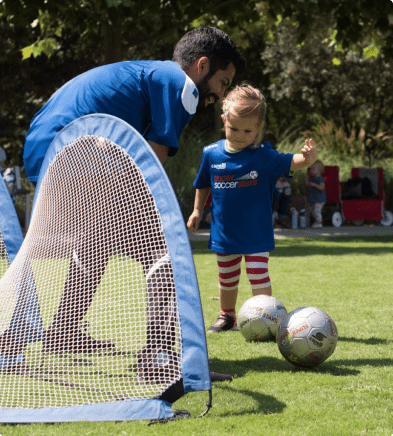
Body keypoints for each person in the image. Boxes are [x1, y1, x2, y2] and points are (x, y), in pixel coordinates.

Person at [1, 27, 245, 367]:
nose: (220, 94)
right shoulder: (181, 86)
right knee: (161, 244)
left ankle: (59, 333)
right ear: (201, 66)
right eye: (223, 82)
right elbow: (151, 161)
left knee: (94, 242)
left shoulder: (157, 74)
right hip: (70, 149)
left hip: (47, 144)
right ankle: (158, 357)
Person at [187, 84, 318, 332]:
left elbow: (291, 161)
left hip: (257, 233)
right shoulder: (211, 154)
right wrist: (196, 211)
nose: (239, 135)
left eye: (248, 131)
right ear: (224, 120)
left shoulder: (263, 156)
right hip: (225, 233)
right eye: (233, 128)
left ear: (259, 128)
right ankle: (227, 317)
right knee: (227, 277)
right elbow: (202, 184)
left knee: (258, 274)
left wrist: (307, 159)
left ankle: (270, 319)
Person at [307, 160, 326, 229]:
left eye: (313, 169)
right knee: (312, 210)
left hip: (319, 199)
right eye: (311, 169)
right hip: (314, 199)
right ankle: (317, 221)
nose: (311, 171)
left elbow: (322, 187)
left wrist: (314, 185)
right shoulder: (312, 179)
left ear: (319, 170)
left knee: (316, 210)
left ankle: (319, 222)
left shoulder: (320, 179)